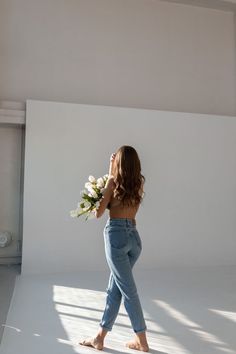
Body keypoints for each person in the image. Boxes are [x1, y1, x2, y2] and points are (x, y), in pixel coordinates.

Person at [79, 145, 149, 352]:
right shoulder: (139, 183)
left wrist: (110, 174)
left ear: (118, 162)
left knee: (128, 292)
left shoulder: (112, 183)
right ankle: (99, 338)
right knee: (115, 289)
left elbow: (98, 213)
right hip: (134, 239)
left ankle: (142, 341)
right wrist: (112, 169)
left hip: (116, 237)